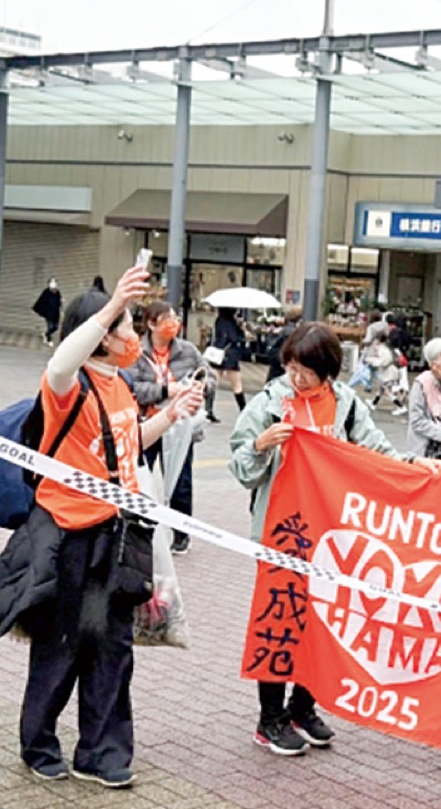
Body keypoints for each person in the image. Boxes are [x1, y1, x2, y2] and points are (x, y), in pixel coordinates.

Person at [20, 264, 203, 787]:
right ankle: (38, 744)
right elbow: (59, 361)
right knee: (62, 646)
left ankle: (101, 753)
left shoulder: (119, 385)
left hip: (118, 536)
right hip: (68, 537)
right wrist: (108, 307)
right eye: (125, 329)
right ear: (99, 337)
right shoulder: (67, 386)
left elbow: (123, 448)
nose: (133, 339)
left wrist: (171, 415)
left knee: (111, 648)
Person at [229, 321, 434, 756]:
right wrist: (262, 445)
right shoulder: (270, 404)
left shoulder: (346, 405)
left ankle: (303, 706)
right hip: (281, 534)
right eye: (290, 367)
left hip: (333, 537)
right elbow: (242, 468)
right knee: (281, 624)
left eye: (305, 371)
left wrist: (414, 467)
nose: (296, 378)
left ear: (328, 372)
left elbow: (377, 453)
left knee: (325, 625)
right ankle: (270, 719)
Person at [128, 301, 209, 554]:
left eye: (175, 318)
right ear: (151, 324)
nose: (173, 324)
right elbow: (132, 388)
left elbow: (208, 375)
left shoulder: (188, 351)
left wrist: (200, 386)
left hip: (180, 429)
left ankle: (181, 533)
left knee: (181, 482)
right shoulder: (136, 353)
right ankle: (139, 527)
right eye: (166, 320)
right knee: (141, 478)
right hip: (149, 424)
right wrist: (165, 390)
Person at [211, 307, 247, 415]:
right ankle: (243, 410)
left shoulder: (219, 320)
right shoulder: (231, 322)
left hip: (218, 354)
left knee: (214, 382)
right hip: (230, 355)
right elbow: (235, 338)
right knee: (237, 384)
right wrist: (241, 328)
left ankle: (208, 409)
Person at [264, 307, 303, 383]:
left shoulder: (285, 329)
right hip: (285, 358)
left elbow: (272, 343)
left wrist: (270, 334)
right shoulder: (295, 330)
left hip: (277, 357)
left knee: (272, 378)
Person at [32, 279, 62, 346]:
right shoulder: (46, 292)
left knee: (55, 327)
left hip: (56, 313)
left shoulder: (57, 292)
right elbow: (42, 301)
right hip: (49, 313)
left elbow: (59, 301)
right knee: (50, 326)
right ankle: (49, 340)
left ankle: (46, 334)